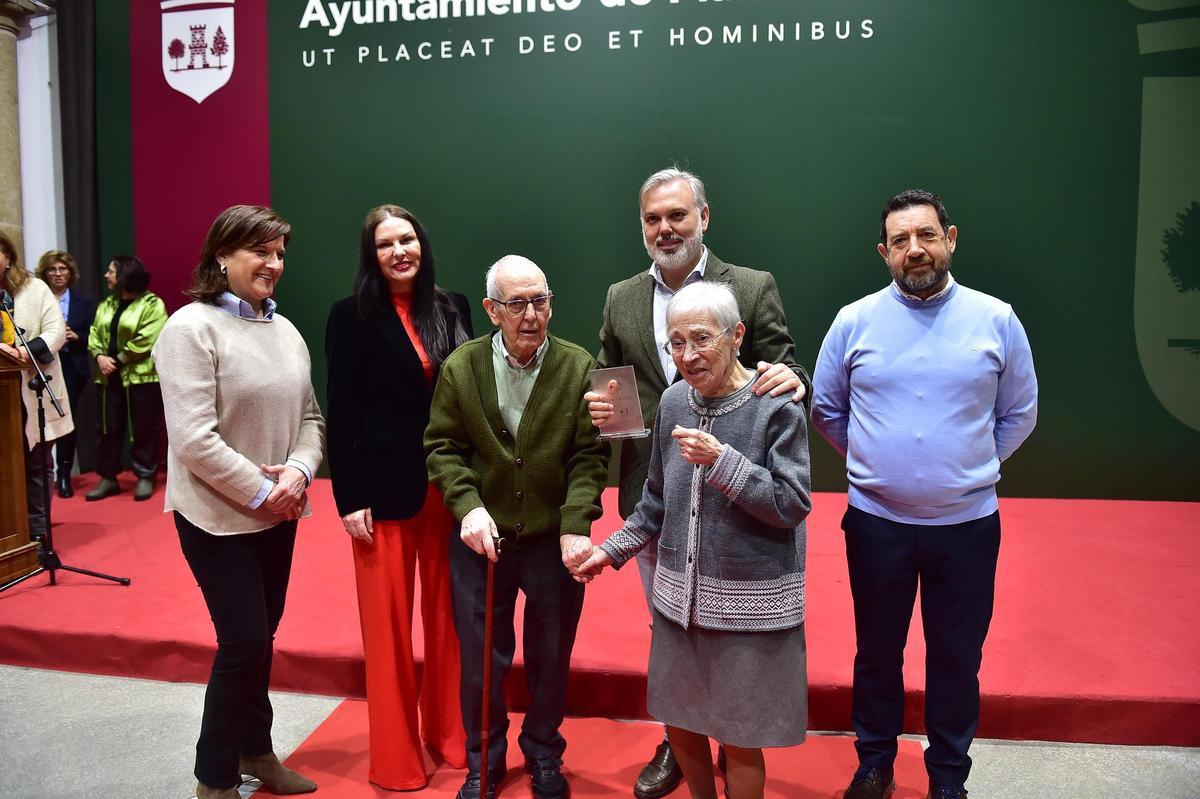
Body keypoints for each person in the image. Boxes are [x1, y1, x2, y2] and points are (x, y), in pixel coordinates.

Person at [585, 166, 809, 799]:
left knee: (737, 704)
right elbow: (613, 381)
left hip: (745, 523)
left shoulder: (751, 287)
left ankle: (723, 741)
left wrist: (791, 385)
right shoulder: (622, 298)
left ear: (703, 217)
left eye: (677, 215)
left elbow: (784, 370)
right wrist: (606, 410)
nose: (665, 228)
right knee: (674, 647)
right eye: (652, 219)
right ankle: (677, 741)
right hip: (660, 494)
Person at [811, 190, 1038, 799]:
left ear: (950, 239)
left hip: (967, 527)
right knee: (877, 653)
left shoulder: (997, 319)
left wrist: (969, 466)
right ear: (883, 252)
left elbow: (1019, 413)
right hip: (876, 524)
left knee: (957, 658)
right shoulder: (853, 321)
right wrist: (878, 465)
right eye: (901, 241)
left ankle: (948, 778)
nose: (915, 249)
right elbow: (827, 409)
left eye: (927, 235)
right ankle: (875, 765)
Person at [152, 205, 325, 799]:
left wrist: (298, 472)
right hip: (217, 517)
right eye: (260, 251)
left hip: (278, 512)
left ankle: (257, 751)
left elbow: (310, 418)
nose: (273, 263)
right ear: (222, 255)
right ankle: (215, 778)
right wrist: (263, 491)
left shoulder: (286, 330)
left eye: (280, 254)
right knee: (244, 641)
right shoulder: (189, 328)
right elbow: (193, 438)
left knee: (261, 640)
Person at [425, 255, 609, 799]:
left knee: (551, 655)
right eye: (517, 304)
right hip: (482, 540)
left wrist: (576, 523)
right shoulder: (462, 367)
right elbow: (442, 447)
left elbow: (590, 457)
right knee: (482, 659)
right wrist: (466, 506)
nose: (531, 315)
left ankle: (544, 752)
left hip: (552, 541)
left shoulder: (578, 366)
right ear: (491, 309)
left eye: (540, 301)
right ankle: (483, 761)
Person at [325, 205, 472, 789]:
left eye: (407, 239)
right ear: (372, 255)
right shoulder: (349, 317)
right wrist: (348, 496)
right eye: (385, 244)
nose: (399, 251)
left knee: (449, 622)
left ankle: (450, 736)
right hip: (379, 493)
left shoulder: (453, 307)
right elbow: (341, 411)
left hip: (447, 485)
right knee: (387, 633)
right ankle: (396, 757)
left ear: (422, 244)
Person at [0, 233, 74, 541]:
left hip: (35, 390)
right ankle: (12, 537)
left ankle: (39, 537)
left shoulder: (34, 288)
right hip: (3, 395)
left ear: (7, 255)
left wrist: (23, 352)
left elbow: (56, 332)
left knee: (38, 465)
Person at [86, 255, 167, 502]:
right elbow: (94, 332)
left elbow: (149, 338)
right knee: (108, 428)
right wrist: (99, 356)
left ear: (124, 274)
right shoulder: (107, 304)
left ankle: (145, 475)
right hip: (108, 377)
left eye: (111, 271)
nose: (106, 275)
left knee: (143, 427)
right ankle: (108, 477)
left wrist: (118, 360)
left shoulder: (152, 304)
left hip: (141, 378)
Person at [35, 249, 96, 498]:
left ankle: (64, 474)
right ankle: (41, 473)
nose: (58, 274)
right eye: (52, 269)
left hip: (73, 366)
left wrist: (77, 336)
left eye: (63, 269)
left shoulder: (84, 301)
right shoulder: (38, 299)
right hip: (43, 365)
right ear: (45, 273)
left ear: (70, 273)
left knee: (66, 419)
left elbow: (94, 335)